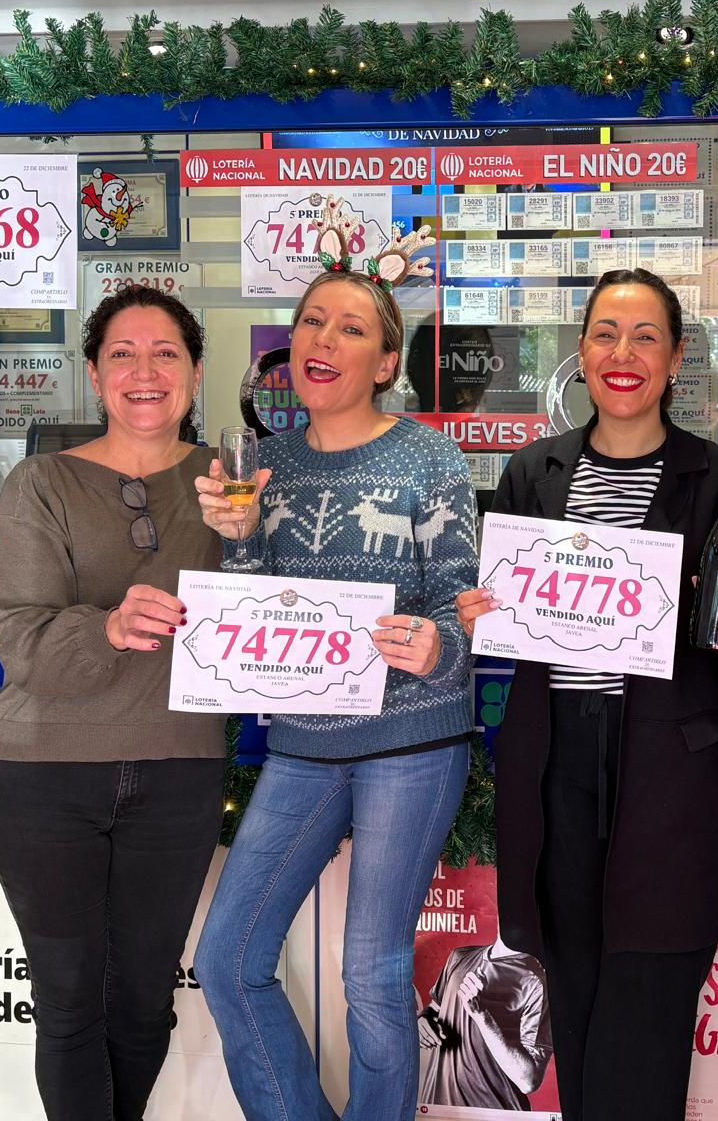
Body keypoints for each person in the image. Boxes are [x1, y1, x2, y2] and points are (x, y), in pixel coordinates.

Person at [457, 267, 718, 1121]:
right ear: (581, 354)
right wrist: (479, 609)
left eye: (645, 338)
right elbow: (505, 616)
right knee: (577, 992)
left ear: (674, 360)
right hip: (557, 758)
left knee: (649, 1004)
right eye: (604, 334)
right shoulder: (533, 473)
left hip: (668, 766)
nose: (622, 354)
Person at [192, 267, 479, 1121]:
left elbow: (462, 609)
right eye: (312, 322)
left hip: (411, 741)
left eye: (351, 328)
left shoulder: (428, 454)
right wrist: (238, 541)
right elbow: (255, 618)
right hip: (304, 745)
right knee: (226, 957)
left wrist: (439, 647)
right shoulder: (264, 465)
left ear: (387, 361)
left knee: (372, 968)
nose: (324, 340)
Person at [0, 285, 223, 1121]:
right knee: (71, 1001)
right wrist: (111, 628)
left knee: (142, 999)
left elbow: (282, 623)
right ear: (94, 374)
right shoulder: (41, 481)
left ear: (195, 371)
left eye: (166, 354)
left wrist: (254, 536)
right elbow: (18, 637)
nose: (145, 371)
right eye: (123, 353)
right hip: (41, 778)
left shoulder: (236, 489)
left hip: (179, 776)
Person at [417, 934, 553, 1110]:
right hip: (438, 1109)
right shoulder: (460, 957)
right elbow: (435, 1009)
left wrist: (482, 1016)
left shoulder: (536, 980)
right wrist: (422, 1020)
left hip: (494, 1112)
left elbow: (527, 1081)